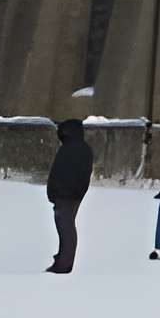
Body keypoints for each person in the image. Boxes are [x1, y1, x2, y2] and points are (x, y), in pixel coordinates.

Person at [45, 117, 93, 273]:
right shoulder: (82, 148)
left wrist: (55, 192)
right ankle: (62, 259)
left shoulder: (70, 149)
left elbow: (59, 173)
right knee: (67, 228)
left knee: (66, 229)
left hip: (66, 196)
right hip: (72, 196)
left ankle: (64, 264)